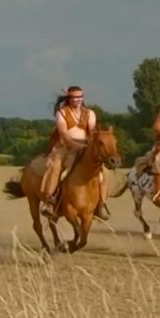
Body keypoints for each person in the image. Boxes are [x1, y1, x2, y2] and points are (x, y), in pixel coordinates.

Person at [40, 85, 110, 220]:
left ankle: (101, 204)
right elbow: (64, 134)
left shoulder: (90, 113)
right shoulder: (61, 113)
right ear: (69, 98)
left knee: (105, 172)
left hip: (86, 146)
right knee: (55, 166)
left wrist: (89, 145)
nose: (77, 100)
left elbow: (92, 131)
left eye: (80, 97)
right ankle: (49, 200)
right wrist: (77, 145)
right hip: (65, 146)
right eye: (74, 97)